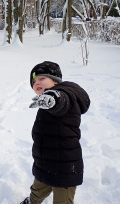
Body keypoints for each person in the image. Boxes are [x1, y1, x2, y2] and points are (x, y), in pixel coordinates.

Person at [21, 61, 90, 204]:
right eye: (34, 81)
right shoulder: (45, 101)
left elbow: (61, 101)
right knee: (38, 189)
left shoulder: (64, 94)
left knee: (62, 200)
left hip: (65, 165)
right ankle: (32, 201)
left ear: (55, 80)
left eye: (42, 78)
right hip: (45, 160)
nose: (36, 83)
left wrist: (52, 100)